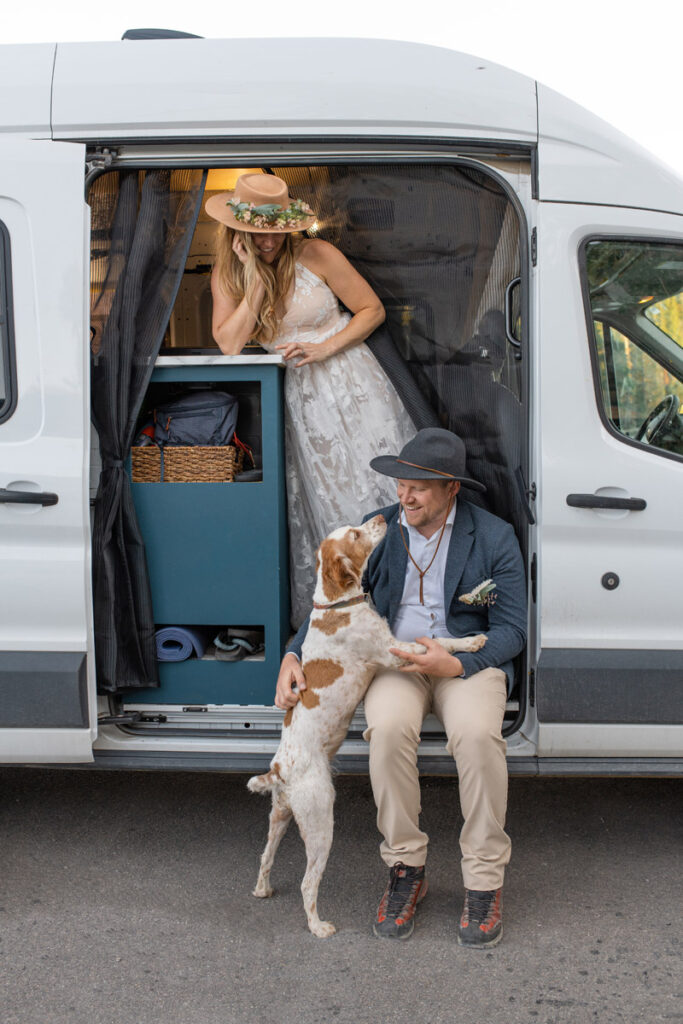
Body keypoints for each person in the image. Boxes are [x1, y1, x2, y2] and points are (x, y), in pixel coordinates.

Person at [275, 428, 527, 947]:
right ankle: (406, 869)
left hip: (465, 664)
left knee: (479, 739)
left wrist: (456, 665)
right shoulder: (382, 530)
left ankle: (483, 880)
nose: (403, 496)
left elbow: (513, 630)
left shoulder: (495, 536)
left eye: (418, 487)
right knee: (386, 731)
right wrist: (293, 653)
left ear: (452, 488)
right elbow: (331, 600)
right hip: (394, 663)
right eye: (400, 484)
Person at [206, 173, 414, 627]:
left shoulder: (317, 253)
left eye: (276, 232)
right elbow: (229, 344)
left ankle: (409, 607)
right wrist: (257, 280)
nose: (268, 243)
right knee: (332, 500)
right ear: (238, 232)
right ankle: (349, 618)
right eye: (258, 234)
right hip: (303, 398)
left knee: (379, 489)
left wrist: (325, 347)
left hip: (353, 382)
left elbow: (372, 310)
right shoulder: (230, 273)